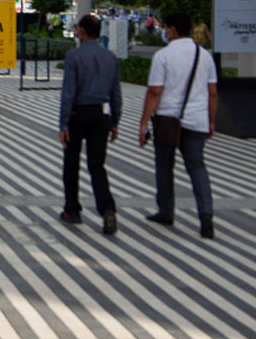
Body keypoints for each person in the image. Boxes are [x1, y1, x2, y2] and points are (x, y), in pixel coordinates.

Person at [137, 13, 218, 239]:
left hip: (167, 120)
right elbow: (212, 92)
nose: (164, 32)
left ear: (172, 30)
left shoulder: (163, 56)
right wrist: (211, 120)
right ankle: (206, 216)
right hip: (197, 121)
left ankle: (166, 211)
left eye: (165, 28)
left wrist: (144, 122)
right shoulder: (205, 56)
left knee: (164, 166)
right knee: (197, 167)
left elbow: (155, 92)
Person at [59, 14, 123, 235]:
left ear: (82, 31)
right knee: (97, 165)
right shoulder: (110, 58)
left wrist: (63, 125)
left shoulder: (74, 56)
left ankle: (72, 210)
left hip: (78, 114)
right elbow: (116, 93)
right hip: (102, 114)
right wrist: (115, 122)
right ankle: (107, 209)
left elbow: (68, 92)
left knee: (72, 163)